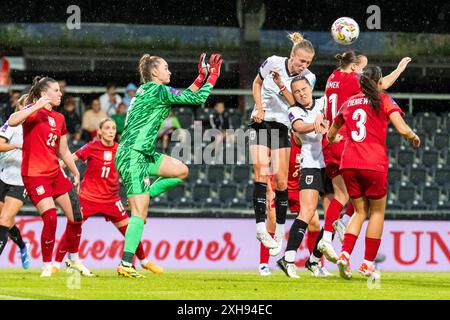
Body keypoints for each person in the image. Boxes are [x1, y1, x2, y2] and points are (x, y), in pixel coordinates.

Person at [115, 52, 222, 278]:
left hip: (142, 153)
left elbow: (184, 95)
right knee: (139, 213)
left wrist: (200, 77)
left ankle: (145, 193)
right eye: (166, 67)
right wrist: (212, 77)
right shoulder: (157, 90)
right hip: (133, 153)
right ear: (154, 72)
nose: (169, 71)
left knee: (181, 170)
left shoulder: (150, 90)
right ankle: (125, 264)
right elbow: (196, 100)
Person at [319, 52, 412, 262]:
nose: (363, 74)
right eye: (362, 69)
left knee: (348, 193)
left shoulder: (332, 78)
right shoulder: (354, 81)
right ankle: (331, 235)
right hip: (346, 143)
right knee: (353, 197)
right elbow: (381, 85)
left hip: (329, 141)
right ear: (354, 69)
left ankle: (321, 254)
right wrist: (399, 69)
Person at [53, 118, 163, 275]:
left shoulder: (121, 151)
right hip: (89, 197)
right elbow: (72, 158)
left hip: (111, 200)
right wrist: (58, 164)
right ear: (100, 132)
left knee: (130, 230)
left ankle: (145, 262)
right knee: (72, 226)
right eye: (107, 128)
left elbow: (129, 174)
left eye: (113, 128)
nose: (111, 131)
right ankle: (56, 264)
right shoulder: (91, 147)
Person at [7, 76, 91, 277]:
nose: (60, 93)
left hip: (55, 173)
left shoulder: (59, 118)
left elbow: (63, 150)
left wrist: (76, 171)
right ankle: (47, 265)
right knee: (51, 217)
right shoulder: (32, 113)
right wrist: (35, 106)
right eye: (56, 90)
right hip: (35, 175)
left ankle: (73, 259)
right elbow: (12, 121)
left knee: (76, 217)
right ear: (44, 94)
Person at [249, 32, 316, 257]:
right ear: (292, 55)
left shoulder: (308, 78)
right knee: (259, 169)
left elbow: (298, 104)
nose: (303, 66)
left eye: (308, 62)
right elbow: (257, 83)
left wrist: (280, 85)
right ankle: (260, 227)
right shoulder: (272, 62)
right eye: (301, 61)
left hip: (281, 127)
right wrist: (258, 108)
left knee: (280, 180)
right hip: (260, 121)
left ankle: (278, 229)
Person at [276, 75, 332, 278]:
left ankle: (314, 261)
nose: (301, 93)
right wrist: (316, 124)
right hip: (310, 166)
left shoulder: (325, 102)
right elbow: (298, 127)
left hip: (331, 164)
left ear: (310, 87)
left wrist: (327, 122)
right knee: (307, 212)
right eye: (297, 91)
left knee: (333, 218)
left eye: (304, 89)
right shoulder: (294, 111)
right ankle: (288, 258)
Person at [259, 132, 324, 276]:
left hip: (299, 188)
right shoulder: (283, 144)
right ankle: (264, 265)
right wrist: (269, 190)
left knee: (314, 223)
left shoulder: (311, 146)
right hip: (278, 187)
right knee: (273, 222)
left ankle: (317, 265)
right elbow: (264, 167)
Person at [0, 94, 31, 269]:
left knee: (4, 219)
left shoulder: (36, 128)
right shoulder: (11, 125)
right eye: (24, 105)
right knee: (6, 219)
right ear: (18, 108)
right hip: (2, 176)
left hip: (21, 181)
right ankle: (22, 245)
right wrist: (16, 146)